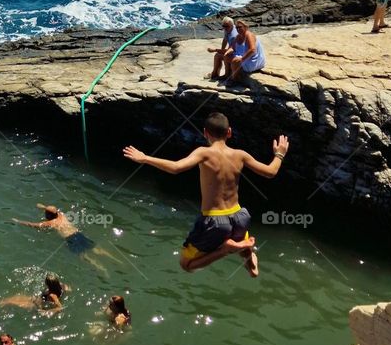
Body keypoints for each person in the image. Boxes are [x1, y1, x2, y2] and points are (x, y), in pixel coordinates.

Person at [122, 112, 289, 278]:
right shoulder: (240, 155)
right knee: (240, 240)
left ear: (205, 133)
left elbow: (176, 167)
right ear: (229, 132)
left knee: (186, 265)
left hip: (215, 220)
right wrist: (279, 154)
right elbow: (270, 172)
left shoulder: (203, 152)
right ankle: (250, 262)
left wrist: (144, 158)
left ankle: (226, 249)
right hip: (239, 216)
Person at [0, 273, 66, 312]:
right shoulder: (61, 286)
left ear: (48, 284)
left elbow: (60, 308)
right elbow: (69, 288)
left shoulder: (52, 295)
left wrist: (44, 311)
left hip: (34, 305)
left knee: (9, 302)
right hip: (33, 300)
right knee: (11, 298)